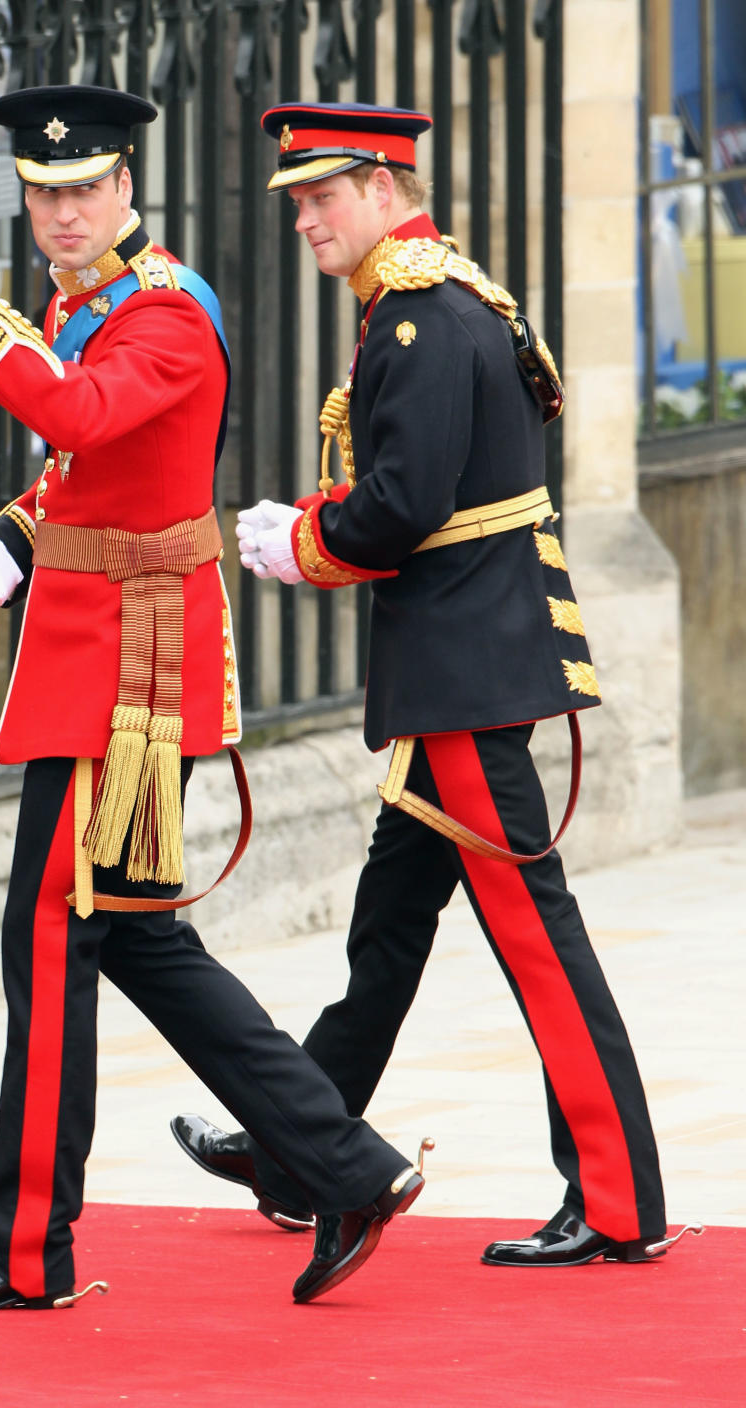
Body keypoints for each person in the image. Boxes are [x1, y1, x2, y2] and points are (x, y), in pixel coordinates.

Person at [0, 86, 424, 1313]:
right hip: (102, 657)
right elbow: (89, 467)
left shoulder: (168, 311)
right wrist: (20, 541)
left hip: (120, 685)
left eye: (84, 191)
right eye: (44, 192)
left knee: (49, 943)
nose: (64, 213)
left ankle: (26, 1250)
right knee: (126, 936)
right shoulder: (96, 306)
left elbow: (84, 410)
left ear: (128, 187)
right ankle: (344, 1164)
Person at [172, 101, 701, 1269]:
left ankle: (618, 1198)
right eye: (297, 201)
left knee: (536, 935)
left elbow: (403, 508)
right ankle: (301, 1145)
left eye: (320, 197)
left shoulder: (417, 320)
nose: (303, 219)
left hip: (460, 664)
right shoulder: (449, 297)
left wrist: (300, 542)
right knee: (391, 923)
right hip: (461, 657)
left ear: (380, 187)